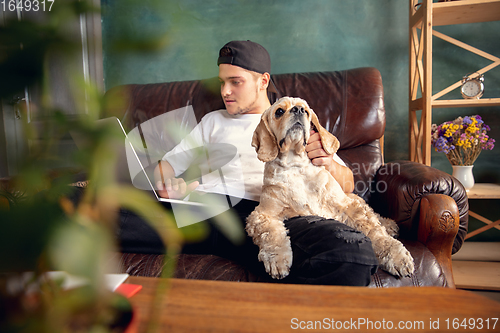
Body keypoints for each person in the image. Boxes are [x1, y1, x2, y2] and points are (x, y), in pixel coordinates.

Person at [151, 40, 378, 286]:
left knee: (353, 254)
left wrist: (329, 163)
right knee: (111, 213)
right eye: (222, 82)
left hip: (268, 215)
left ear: (263, 81)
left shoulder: (295, 122)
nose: (225, 92)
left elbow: (348, 184)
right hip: (205, 209)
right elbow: (166, 165)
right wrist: (166, 185)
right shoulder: (212, 120)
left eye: (235, 82)